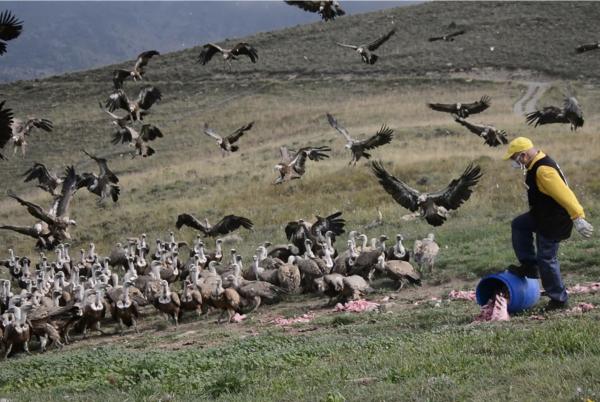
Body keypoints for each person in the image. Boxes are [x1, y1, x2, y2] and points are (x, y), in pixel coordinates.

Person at [503, 137, 593, 310]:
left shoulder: (543, 169)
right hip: (542, 216)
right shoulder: (535, 163)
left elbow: (564, 194)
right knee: (519, 224)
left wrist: (578, 217)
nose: (514, 162)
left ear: (523, 155)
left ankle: (559, 299)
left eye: (514, 158)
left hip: (554, 220)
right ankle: (529, 266)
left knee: (546, 258)